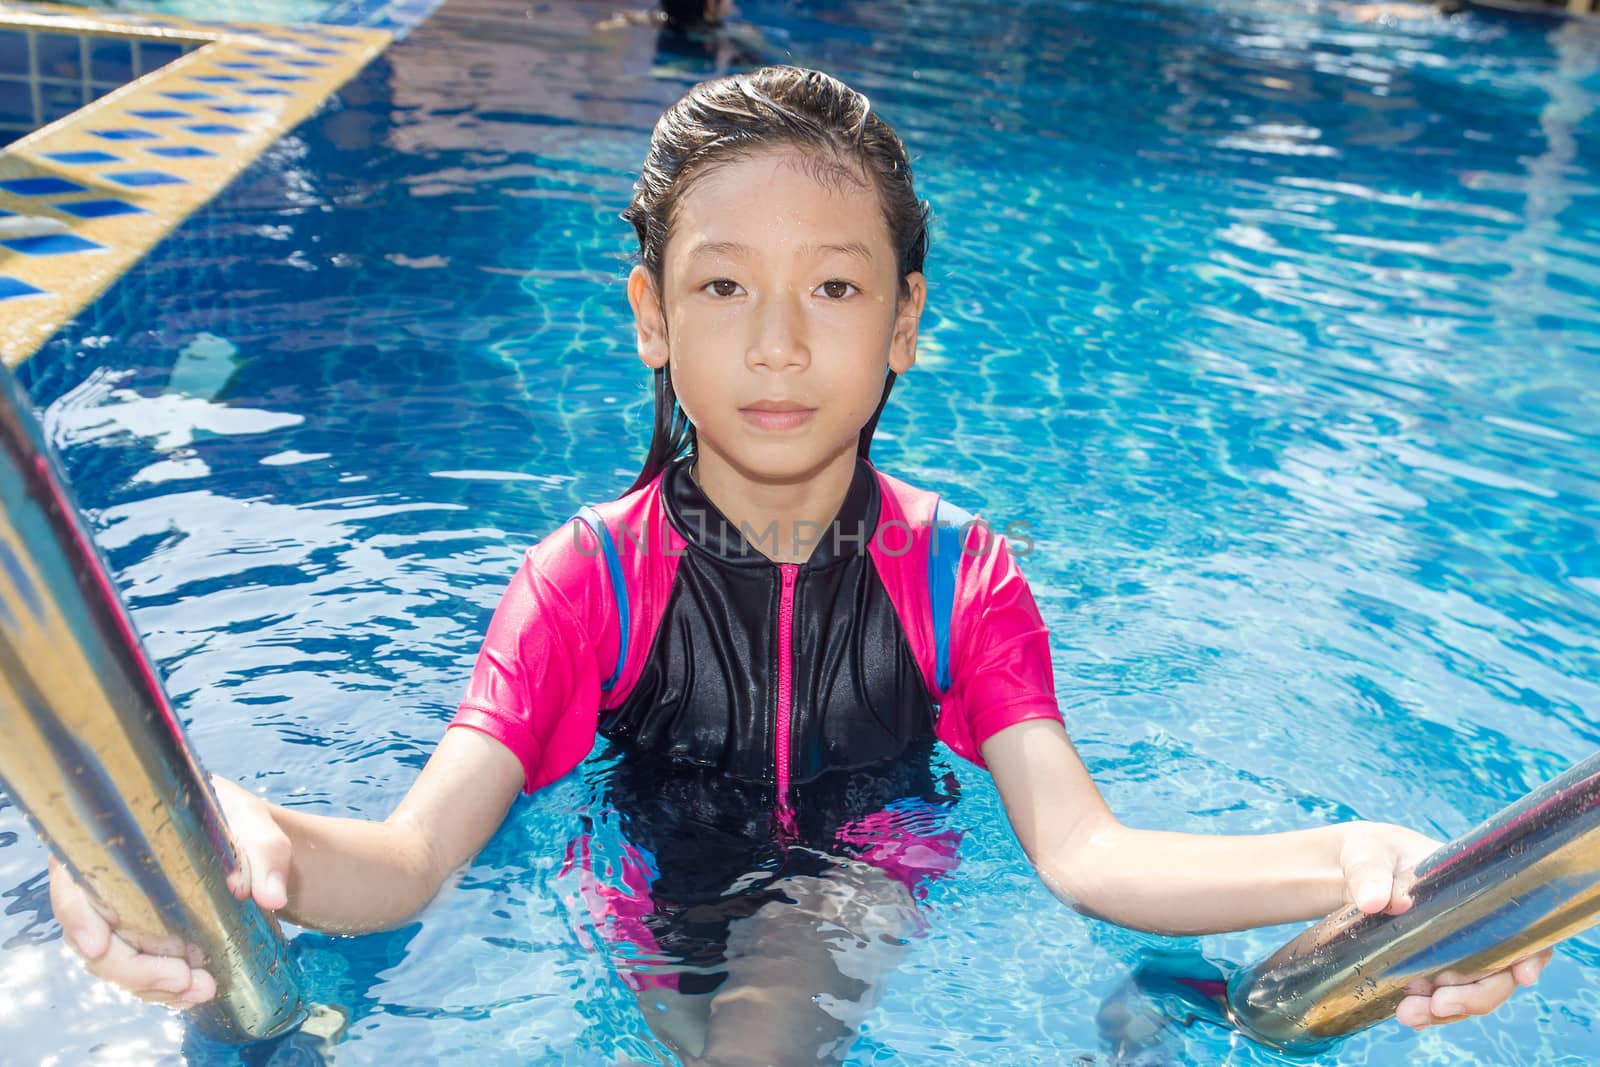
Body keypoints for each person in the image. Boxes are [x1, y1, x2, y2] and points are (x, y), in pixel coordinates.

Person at [49, 65, 1551, 1065]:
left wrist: (1354, 862)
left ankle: (1166, 1004)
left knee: (765, 1038)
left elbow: (1088, 853)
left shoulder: (964, 577)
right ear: (652, 316)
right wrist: (219, 831)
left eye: (834, 288)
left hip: (860, 863)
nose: (777, 343)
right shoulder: (587, 581)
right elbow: (412, 857)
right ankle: (1163, 1015)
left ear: (903, 324)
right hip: (636, 870)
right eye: (723, 287)